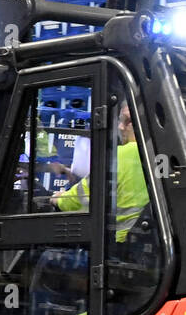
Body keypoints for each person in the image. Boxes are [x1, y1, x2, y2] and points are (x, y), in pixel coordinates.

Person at [51, 102, 148, 242]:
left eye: (128, 122)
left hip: (118, 244)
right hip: (145, 240)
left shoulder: (119, 155)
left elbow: (80, 197)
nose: (120, 127)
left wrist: (59, 199)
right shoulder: (161, 156)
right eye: (121, 121)